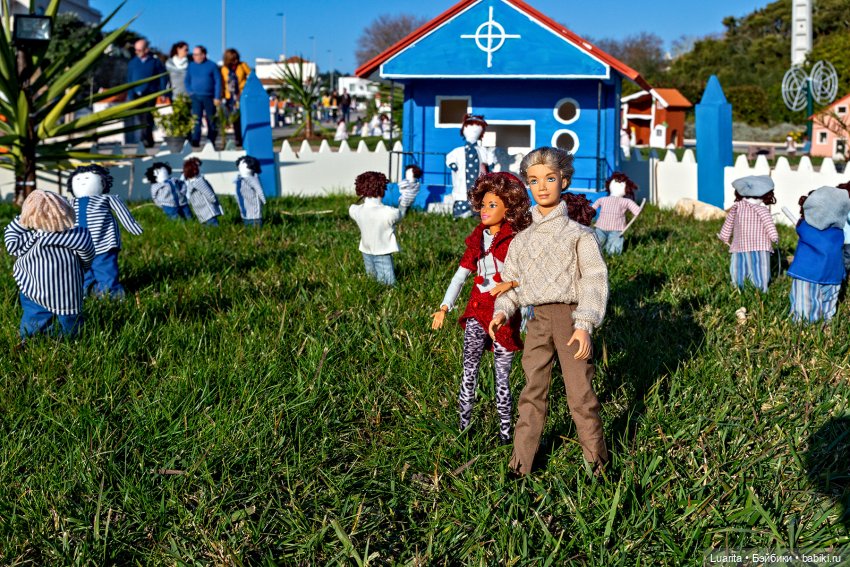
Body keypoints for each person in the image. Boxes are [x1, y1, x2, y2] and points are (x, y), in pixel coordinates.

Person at [489, 146, 609, 477]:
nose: (542, 187)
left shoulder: (580, 235)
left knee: (580, 394)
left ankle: (597, 465)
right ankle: (520, 464)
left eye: (550, 178)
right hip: (537, 320)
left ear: (564, 181)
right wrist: (502, 309)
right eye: (534, 180)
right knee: (532, 391)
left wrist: (584, 323)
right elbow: (511, 282)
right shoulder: (521, 240)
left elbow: (594, 279)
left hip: (570, 319)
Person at [432, 172, 531, 444]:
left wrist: (513, 291)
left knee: (502, 379)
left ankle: (505, 433)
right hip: (477, 312)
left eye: (493, 205)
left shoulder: (516, 240)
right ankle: (463, 428)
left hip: (504, 316)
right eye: (483, 205)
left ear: (509, 208)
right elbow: (460, 275)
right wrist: (445, 306)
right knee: (468, 371)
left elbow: (529, 278)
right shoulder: (477, 238)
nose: (485, 211)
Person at [4, 190, 95, 339]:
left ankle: (31, 338)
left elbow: (10, 240)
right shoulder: (78, 235)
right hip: (68, 289)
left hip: (34, 287)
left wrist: (23, 219)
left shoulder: (29, 239)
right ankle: (72, 338)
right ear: (65, 211)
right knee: (69, 317)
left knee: (35, 315)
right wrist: (82, 267)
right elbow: (88, 254)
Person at [67, 165, 143, 298]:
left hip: (103, 244)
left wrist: (132, 226)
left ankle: (112, 296)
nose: (82, 181)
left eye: (86, 178)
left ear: (103, 182)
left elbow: (122, 212)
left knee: (105, 271)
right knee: (82, 273)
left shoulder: (107, 198)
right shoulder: (70, 202)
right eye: (77, 179)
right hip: (78, 247)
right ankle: (85, 294)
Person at [787, 186, 850, 323]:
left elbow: (800, 227)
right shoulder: (838, 232)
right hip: (834, 274)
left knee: (803, 303)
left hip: (808, 274)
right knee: (829, 303)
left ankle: (804, 325)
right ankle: (826, 322)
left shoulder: (805, 227)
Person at [348, 171, 418, 286]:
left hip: (365, 249)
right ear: (382, 190)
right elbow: (400, 214)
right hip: (382, 251)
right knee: (387, 283)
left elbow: (352, 209)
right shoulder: (389, 213)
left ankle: (373, 291)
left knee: (371, 277)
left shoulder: (355, 210)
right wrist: (405, 202)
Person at [717, 175, 779, 292]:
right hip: (759, 245)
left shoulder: (736, 207)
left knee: (739, 266)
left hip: (740, 245)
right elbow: (769, 225)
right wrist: (774, 237)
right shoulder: (762, 210)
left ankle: (738, 287)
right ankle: (759, 288)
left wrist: (724, 235)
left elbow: (728, 223)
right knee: (759, 267)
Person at [126, 39, 167, 148]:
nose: (137, 52)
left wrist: (163, 92)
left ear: (146, 49)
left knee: (148, 117)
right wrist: (130, 95)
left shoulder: (155, 62)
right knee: (140, 119)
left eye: (139, 50)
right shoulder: (133, 63)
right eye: (136, 50)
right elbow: (129, 80)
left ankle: (146, 139)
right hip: (136, 95)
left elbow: (163, 77)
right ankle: (144, 138)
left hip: (150, 93)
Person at [592, 172, 643, 255]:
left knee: (614, 245)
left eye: (622, 184)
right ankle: (595, 254)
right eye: (615, 182)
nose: (618, 185)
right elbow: (593, 207)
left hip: (616, 229)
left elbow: (636, 210)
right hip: (601, 227)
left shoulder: (625, 201)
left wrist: (638, 210)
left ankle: (612, 257)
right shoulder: (603, 199)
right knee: (597, 242)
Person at [185, 45, 222, 147]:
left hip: (209, 97)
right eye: (194, 55)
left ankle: (211, 141)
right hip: (195, 97)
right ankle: (195, 140)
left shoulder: (212, 65)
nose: (195, 57)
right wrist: (190, 92)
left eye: (197, 54)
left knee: (211, 120)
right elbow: (187, 80)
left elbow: (218, 82)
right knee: (196, 120)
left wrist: (217, 96)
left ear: (203, 55)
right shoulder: (191, 65)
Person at [221, 48, 251, 147]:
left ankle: (246, 137)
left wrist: (245, 88)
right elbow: (222, 83)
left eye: (237, 58)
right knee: (235, 119)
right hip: (230, 98)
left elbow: (252, 77)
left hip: (242, 95)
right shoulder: (224, 69)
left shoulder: (243, 66)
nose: (236, 61)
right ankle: (238, 139)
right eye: (233, 59)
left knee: (244, 117)